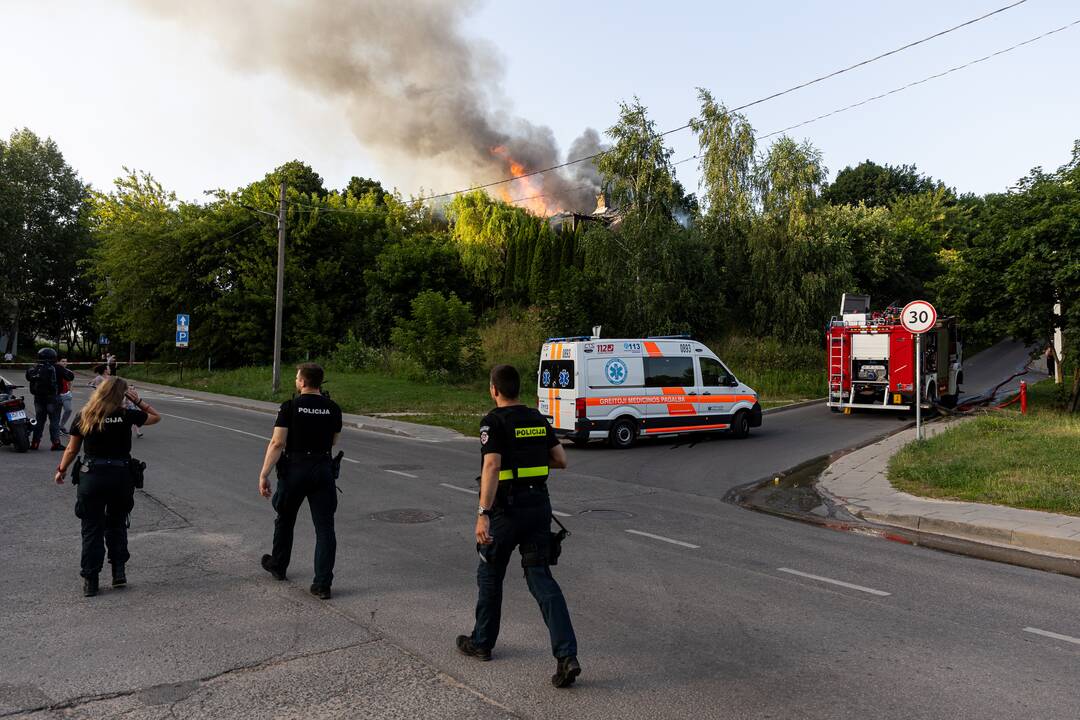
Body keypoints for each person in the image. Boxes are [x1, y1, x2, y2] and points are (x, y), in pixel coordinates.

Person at [456, 364, 581, 688]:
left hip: (505, 513)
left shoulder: (493, 421)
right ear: (517, 389)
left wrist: (483, 512)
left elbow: (492, 465)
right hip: (538, 508)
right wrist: (530, 459)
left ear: (494, 389)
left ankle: (482, 643)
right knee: (541, 579)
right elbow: (560, 460)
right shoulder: (537, 418)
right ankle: (567, 656)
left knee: (490, 574)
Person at [53, 377, 160, 596]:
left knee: (91, 528)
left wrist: (62, 470)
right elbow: (156, 417)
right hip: (120, 477)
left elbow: (72, 450)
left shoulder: (85, 415)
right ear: (122, 395)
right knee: (117, 523)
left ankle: (91, 580)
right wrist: (138, 401)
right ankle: (118, 572)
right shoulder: (127, 415)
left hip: (92, 476)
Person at [258, 363, 342, 600]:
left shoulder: (290, 407)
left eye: (297, 378)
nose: (296, 381)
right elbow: (334, 441)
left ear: (303, 382)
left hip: (295, 469)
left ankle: (278, 565)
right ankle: (322, 584)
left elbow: (277, 443)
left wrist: (264, 473)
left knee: (285, 518)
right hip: (323, 469)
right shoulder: (333, 408)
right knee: (325, 528)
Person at [26, 347, 75, 451]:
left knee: (39, 421)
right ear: (54, 357)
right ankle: (55, 443)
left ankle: (35, 443)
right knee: (54, 421)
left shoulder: (35, 367)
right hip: (53, 398)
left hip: (39, 398)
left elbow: (28, 377)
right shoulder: (57, 367)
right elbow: (70, 377)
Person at [58, 358, 74, 435]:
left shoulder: (68, 372)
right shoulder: (55, 370)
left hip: (65, 394)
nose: (64, 363)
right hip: (57, 395)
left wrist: (70, 391)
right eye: (62, 361)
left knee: (68, 410)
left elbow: (70, 382)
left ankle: (61, 426)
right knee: (56, 413)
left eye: (66, 362)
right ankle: (57, 429)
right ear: (58, 362)